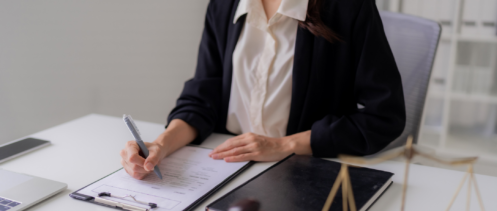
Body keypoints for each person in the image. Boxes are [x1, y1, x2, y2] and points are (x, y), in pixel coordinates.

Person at [121, 0, 406, 180]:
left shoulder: (348, 7)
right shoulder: (223, 5)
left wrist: (283, 145)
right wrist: (162, 144)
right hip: (224, 168)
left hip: (304, 175)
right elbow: (203, 96)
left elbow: (384, 117)